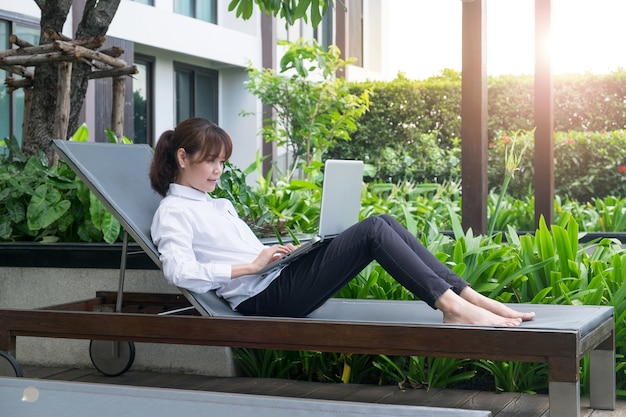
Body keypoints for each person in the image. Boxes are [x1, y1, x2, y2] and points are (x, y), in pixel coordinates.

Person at [150, 118, 535, 326]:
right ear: (183, 158)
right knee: (373, 231)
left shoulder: (214, 204)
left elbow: (248, 254)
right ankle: (453, 307)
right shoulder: (174, 211)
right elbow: (178, 271)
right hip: (263, 299)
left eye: (222, 162)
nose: (218, 170)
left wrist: (285, 254)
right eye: (211, 161)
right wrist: (249, 266)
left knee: (382, 220)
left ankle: (468, 297)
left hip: (277, 278)